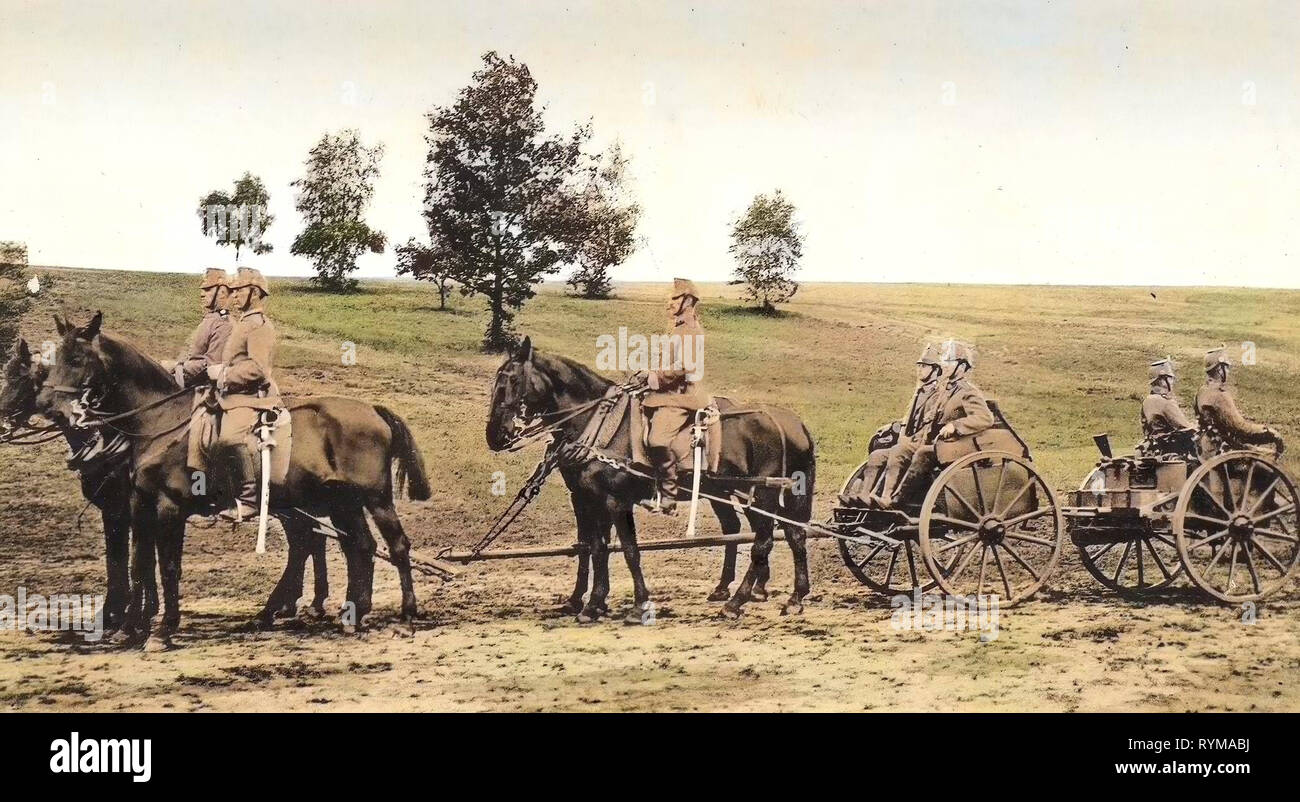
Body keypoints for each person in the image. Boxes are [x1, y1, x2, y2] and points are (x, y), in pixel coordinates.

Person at [877, 339, 994, 509]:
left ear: (961, 367)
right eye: (944, 361)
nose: (944, 365)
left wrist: (956, 426)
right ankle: (885, 496)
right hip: (938, 443)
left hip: (956, 445)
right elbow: (929, 416)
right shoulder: (944, 389)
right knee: (900, 449)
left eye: (949, 361)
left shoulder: (968, 392)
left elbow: (985, 418)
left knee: (923, 453)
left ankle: (899, 500)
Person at [207, 267, 281, 521]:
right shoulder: (244, 322)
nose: (234, 294)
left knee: (230, 438)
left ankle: (249, 500)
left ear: (256, 293)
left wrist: (224, 375)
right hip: (233, 395)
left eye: (240, 290)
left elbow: (258, 369)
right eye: (234, 290)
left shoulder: (259, 326)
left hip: (252, 397)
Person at [838, 343, 942, 507]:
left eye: (924, 366)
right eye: (919, 366)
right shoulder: (919, 391)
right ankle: (864, 496)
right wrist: (893, 425)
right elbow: (910, 418)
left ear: (935, 370)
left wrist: (909, 440)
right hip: (908, 443)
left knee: (897, 451)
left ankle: (886, 497)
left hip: (923, 444)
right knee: (876, 455)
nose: (919, 369)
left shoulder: (938, 394)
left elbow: (930, 424)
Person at [639, 277, 708, 515]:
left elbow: (684, 366)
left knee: (657, 439)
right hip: (666, 393)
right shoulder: (678, 329)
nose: (669, 302)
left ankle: (668, 497)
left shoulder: (690, 330)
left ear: (688, 301)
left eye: (675, 298)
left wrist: (655, 377)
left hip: (682, 396)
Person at [1194, 345, 1282, 457]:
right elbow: (1241, 428)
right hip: (1225, 450)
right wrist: (1268, 432)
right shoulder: (1220, 395)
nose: (1228, 371)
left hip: (1205, 447)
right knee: (1269, 463)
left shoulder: (1202, 391)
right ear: (1220, 369)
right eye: (1226, 368)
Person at [1138, 357, 1196, 456]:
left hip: (1154, 448)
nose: (1172, 382)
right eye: (1170, 378)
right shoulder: (1165, 402)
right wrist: (1197, 428)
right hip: (1171, 449)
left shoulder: (1147, 401)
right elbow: (1184, 428)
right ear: (1162, 380)